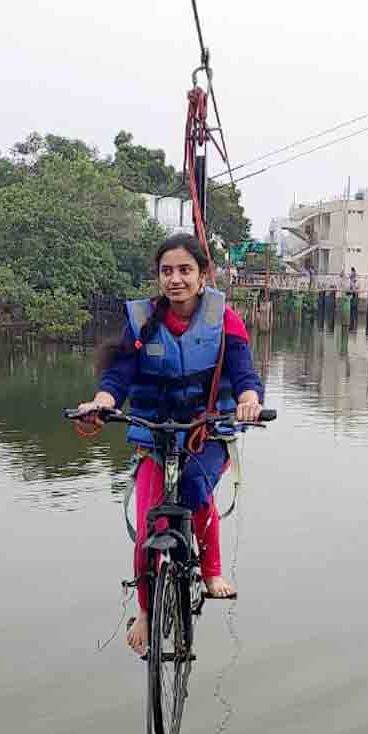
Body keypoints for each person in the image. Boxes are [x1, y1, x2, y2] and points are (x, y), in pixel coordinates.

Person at [76, 234, 265, 655]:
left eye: (184, 270)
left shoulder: (224, 318)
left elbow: (244, 370)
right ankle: (145, 610)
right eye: (167, 271)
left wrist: (250, 400)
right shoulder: (142, 321)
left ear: (202, 276)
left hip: (207, 429)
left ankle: (212, 572)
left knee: (197, 488)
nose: (175, 279)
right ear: (158, 276)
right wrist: (102, 402)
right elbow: (119, 375)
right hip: (155, 431)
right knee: (147, 527)